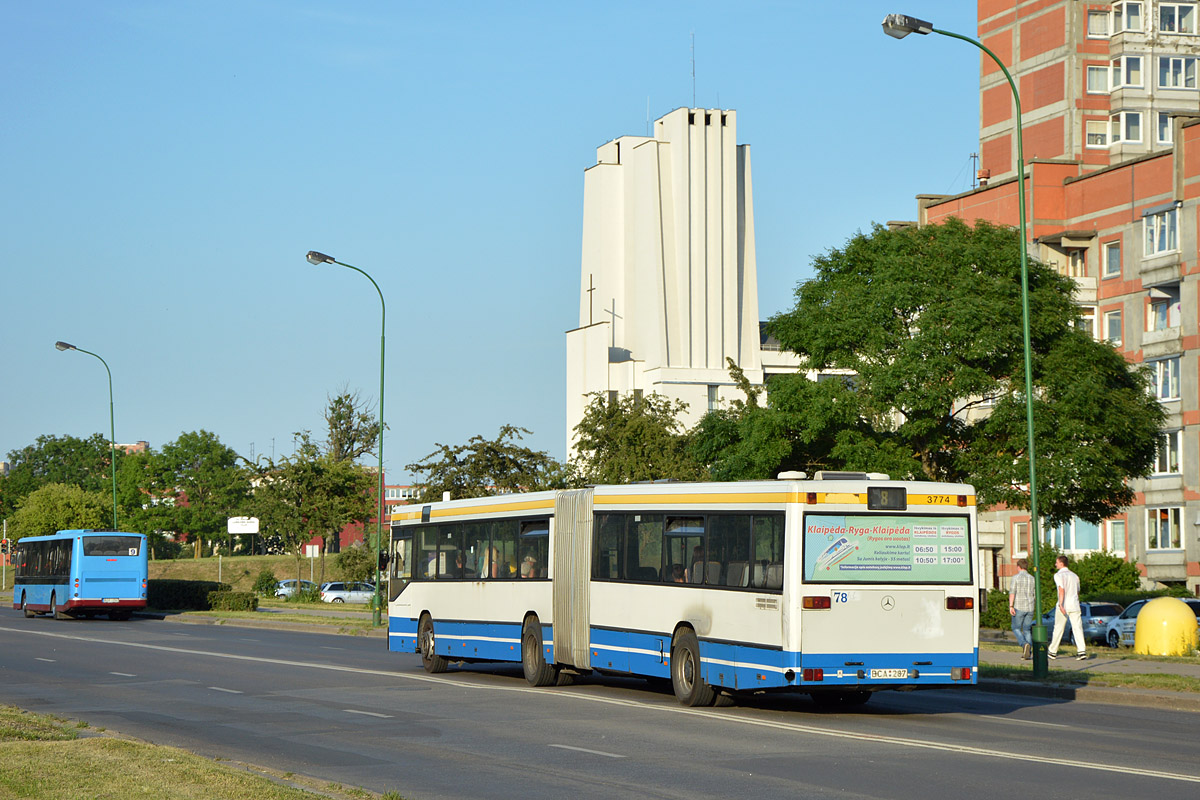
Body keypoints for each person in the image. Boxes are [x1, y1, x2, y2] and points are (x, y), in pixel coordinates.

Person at [1048, 555, 1087, 660]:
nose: (1055, 564)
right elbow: (1077, 591)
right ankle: (1081, 650)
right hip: (1074, 604)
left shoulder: (1058, 575)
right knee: (1077, 627)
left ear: (1061, 563)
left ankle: (1052, 651)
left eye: (1056, 562)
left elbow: (1061, 589)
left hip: (1064, 604)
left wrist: (1061, 604)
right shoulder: (1075, 576)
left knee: (1058, 628)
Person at [1008, 558, 1036, 660]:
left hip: (1019, 606)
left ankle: (1024, 644)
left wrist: (1011, 605)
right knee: (1027, 630)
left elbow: (1012, 592)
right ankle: (1028, 652)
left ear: (1018, 567)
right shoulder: (1032, 578)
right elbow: (1034, 594)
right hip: (1030, 607)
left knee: (1015, 628)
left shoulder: (1016, 578)